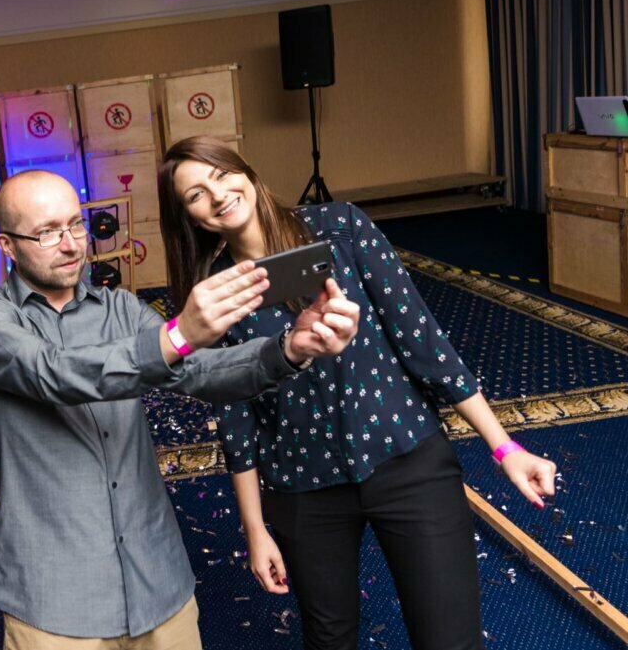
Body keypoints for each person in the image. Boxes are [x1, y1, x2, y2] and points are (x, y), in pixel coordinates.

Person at [156, 136, 557, 650]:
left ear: (246, 172)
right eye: (194, 195)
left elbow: (423, 342)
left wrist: (506, 448)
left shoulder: (339, 226)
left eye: (221, 174)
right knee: (330, 639)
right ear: (188, 217)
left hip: (406, 458)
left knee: (450, 637)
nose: (216, 195)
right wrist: (255, 529)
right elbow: (235, 416)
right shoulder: (215, 292)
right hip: (302, 483)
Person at [0, 170, 360, 649]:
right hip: (55, 599)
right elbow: (56, 373)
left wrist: (290, 348)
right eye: (47, 233)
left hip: (158, 584)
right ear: (7, 245)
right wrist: (177, 335)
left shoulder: (122, 310)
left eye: (76, 225)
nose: (70, 246)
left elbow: (200, 372)